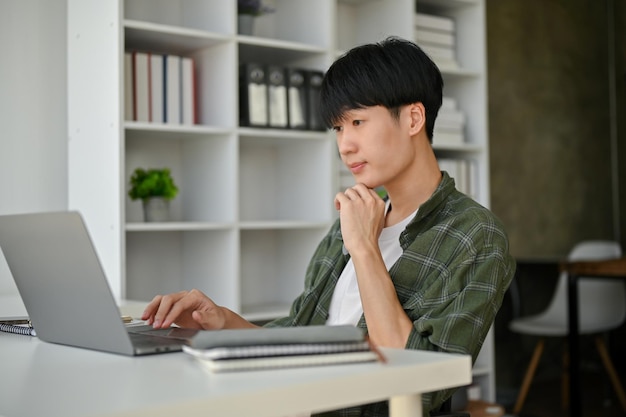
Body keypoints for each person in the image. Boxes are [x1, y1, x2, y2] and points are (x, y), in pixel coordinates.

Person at [142, 36, 516, 416]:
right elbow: (300, 338)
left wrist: (365, 249)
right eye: (338, 128)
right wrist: (221, 321)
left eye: (357, 122)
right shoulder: (351, 222)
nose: (345, 145)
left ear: (413, 119)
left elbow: (419, 386)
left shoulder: (476, 236)